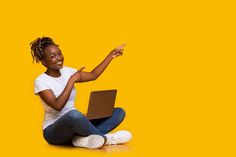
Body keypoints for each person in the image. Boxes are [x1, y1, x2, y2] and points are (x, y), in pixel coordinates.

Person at [30, 37, 132, 149]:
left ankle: (81, 140)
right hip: (54, 132)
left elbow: (94, 75)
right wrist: (71, 80)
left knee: (119, 112)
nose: (59, 58)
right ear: (44, 62)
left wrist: (111, 55)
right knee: (74, 115)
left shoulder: (67, 71)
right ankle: (106, 139)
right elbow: (58, 106)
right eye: (53, 56)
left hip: (76, 123)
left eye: (60, 53)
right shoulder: (41, 81)